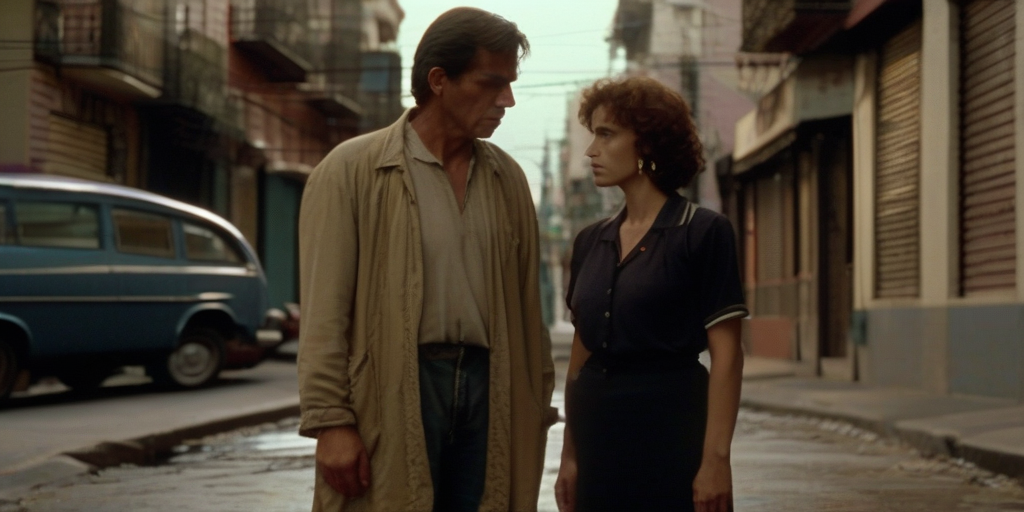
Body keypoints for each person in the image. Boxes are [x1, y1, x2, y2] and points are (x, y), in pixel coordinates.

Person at [297, 7, 557, 512]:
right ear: (439, 80)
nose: (507, 100)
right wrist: (331, 421)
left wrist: (534, 406)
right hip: (397, 385)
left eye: (510, 84)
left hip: (490, 385)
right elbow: (324, 313)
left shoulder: (508, 179)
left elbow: (529, 312)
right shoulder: (352, 170)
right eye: (491, 83)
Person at [554, 76, 748, 512]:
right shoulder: (590, 240)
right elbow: (581, 358)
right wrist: (570, 454)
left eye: (606, 134)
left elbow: (728, 357)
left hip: (672, 432)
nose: (591, 151)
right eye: (592, 135)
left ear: (647, 143)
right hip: (598, 439)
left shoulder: (702, 232)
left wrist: (716, 461)